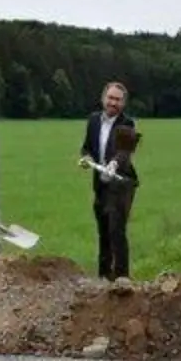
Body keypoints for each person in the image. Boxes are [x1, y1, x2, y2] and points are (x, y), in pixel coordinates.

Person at [79, 82, 138, 279]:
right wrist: (86, 158)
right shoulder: (93, 120)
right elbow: (87, 147)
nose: (113, 103)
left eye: (118, 100)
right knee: (103, 231)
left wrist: (113, 164)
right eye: (110, 98)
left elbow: (124, 152)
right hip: (101, 184)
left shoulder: (127, 124)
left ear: (123, 103)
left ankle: (122, 279)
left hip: (121, 184)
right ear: (104, 98)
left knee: (116, 231)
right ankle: (104, 279)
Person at [96, 124, 142, 283]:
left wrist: (112, 165)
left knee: (116, 234)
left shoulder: (122, 156)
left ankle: (121, 274)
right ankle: (114, 273)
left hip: (119, 198)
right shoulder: (124, 156)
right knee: (113, 233)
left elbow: (118, 160)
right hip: (116, 197)